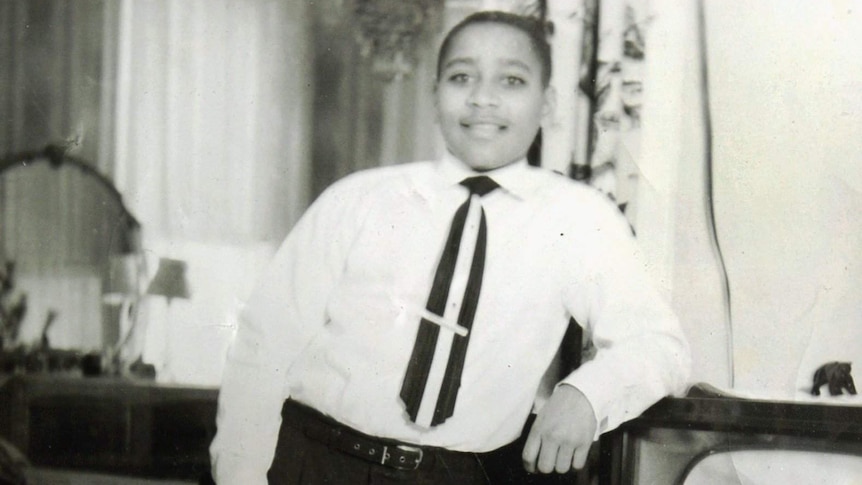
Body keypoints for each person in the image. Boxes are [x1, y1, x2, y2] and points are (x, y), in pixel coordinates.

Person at [210, 10, 690, 485]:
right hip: (311, 461)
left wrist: (587, 393)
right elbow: (263, 343)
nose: (483, 99)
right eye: (462, 77)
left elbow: (659, 344)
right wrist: (241, 474)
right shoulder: (357, 200)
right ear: (434, 94)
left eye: (512, 81)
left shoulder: (580, 218)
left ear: (547, 104)